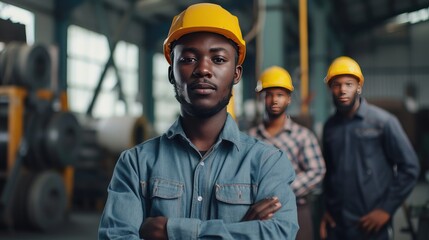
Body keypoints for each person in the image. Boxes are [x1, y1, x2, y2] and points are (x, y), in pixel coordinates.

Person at [98, 3, 299, 239]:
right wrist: (242, 229)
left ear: (236, 73)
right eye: (189, 59)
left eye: (219, 59)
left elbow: (278, 233)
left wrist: (171, 230)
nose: (203, 69)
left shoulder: (267, 163)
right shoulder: (136, 164)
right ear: (172, 72)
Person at [319, 56, 420, 240]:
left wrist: (385, 210)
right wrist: (326, 210)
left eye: (349, 84)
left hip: (371, 224)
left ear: (359, 87)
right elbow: (329, 172)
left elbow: (410, 168)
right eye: (336, 84)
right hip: (337, 225)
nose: (342, 90)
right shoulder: (330, 127)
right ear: (330, 89)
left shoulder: (384, 122)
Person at [248, 66, 326, 240]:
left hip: (298, 211)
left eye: (280, 95)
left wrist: (279, 194)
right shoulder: (250, 138)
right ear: (261, 98)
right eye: (268, 94)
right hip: (259, 215)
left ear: (289, 99)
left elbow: (317, 170)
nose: (274, 100)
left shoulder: (303, 136)